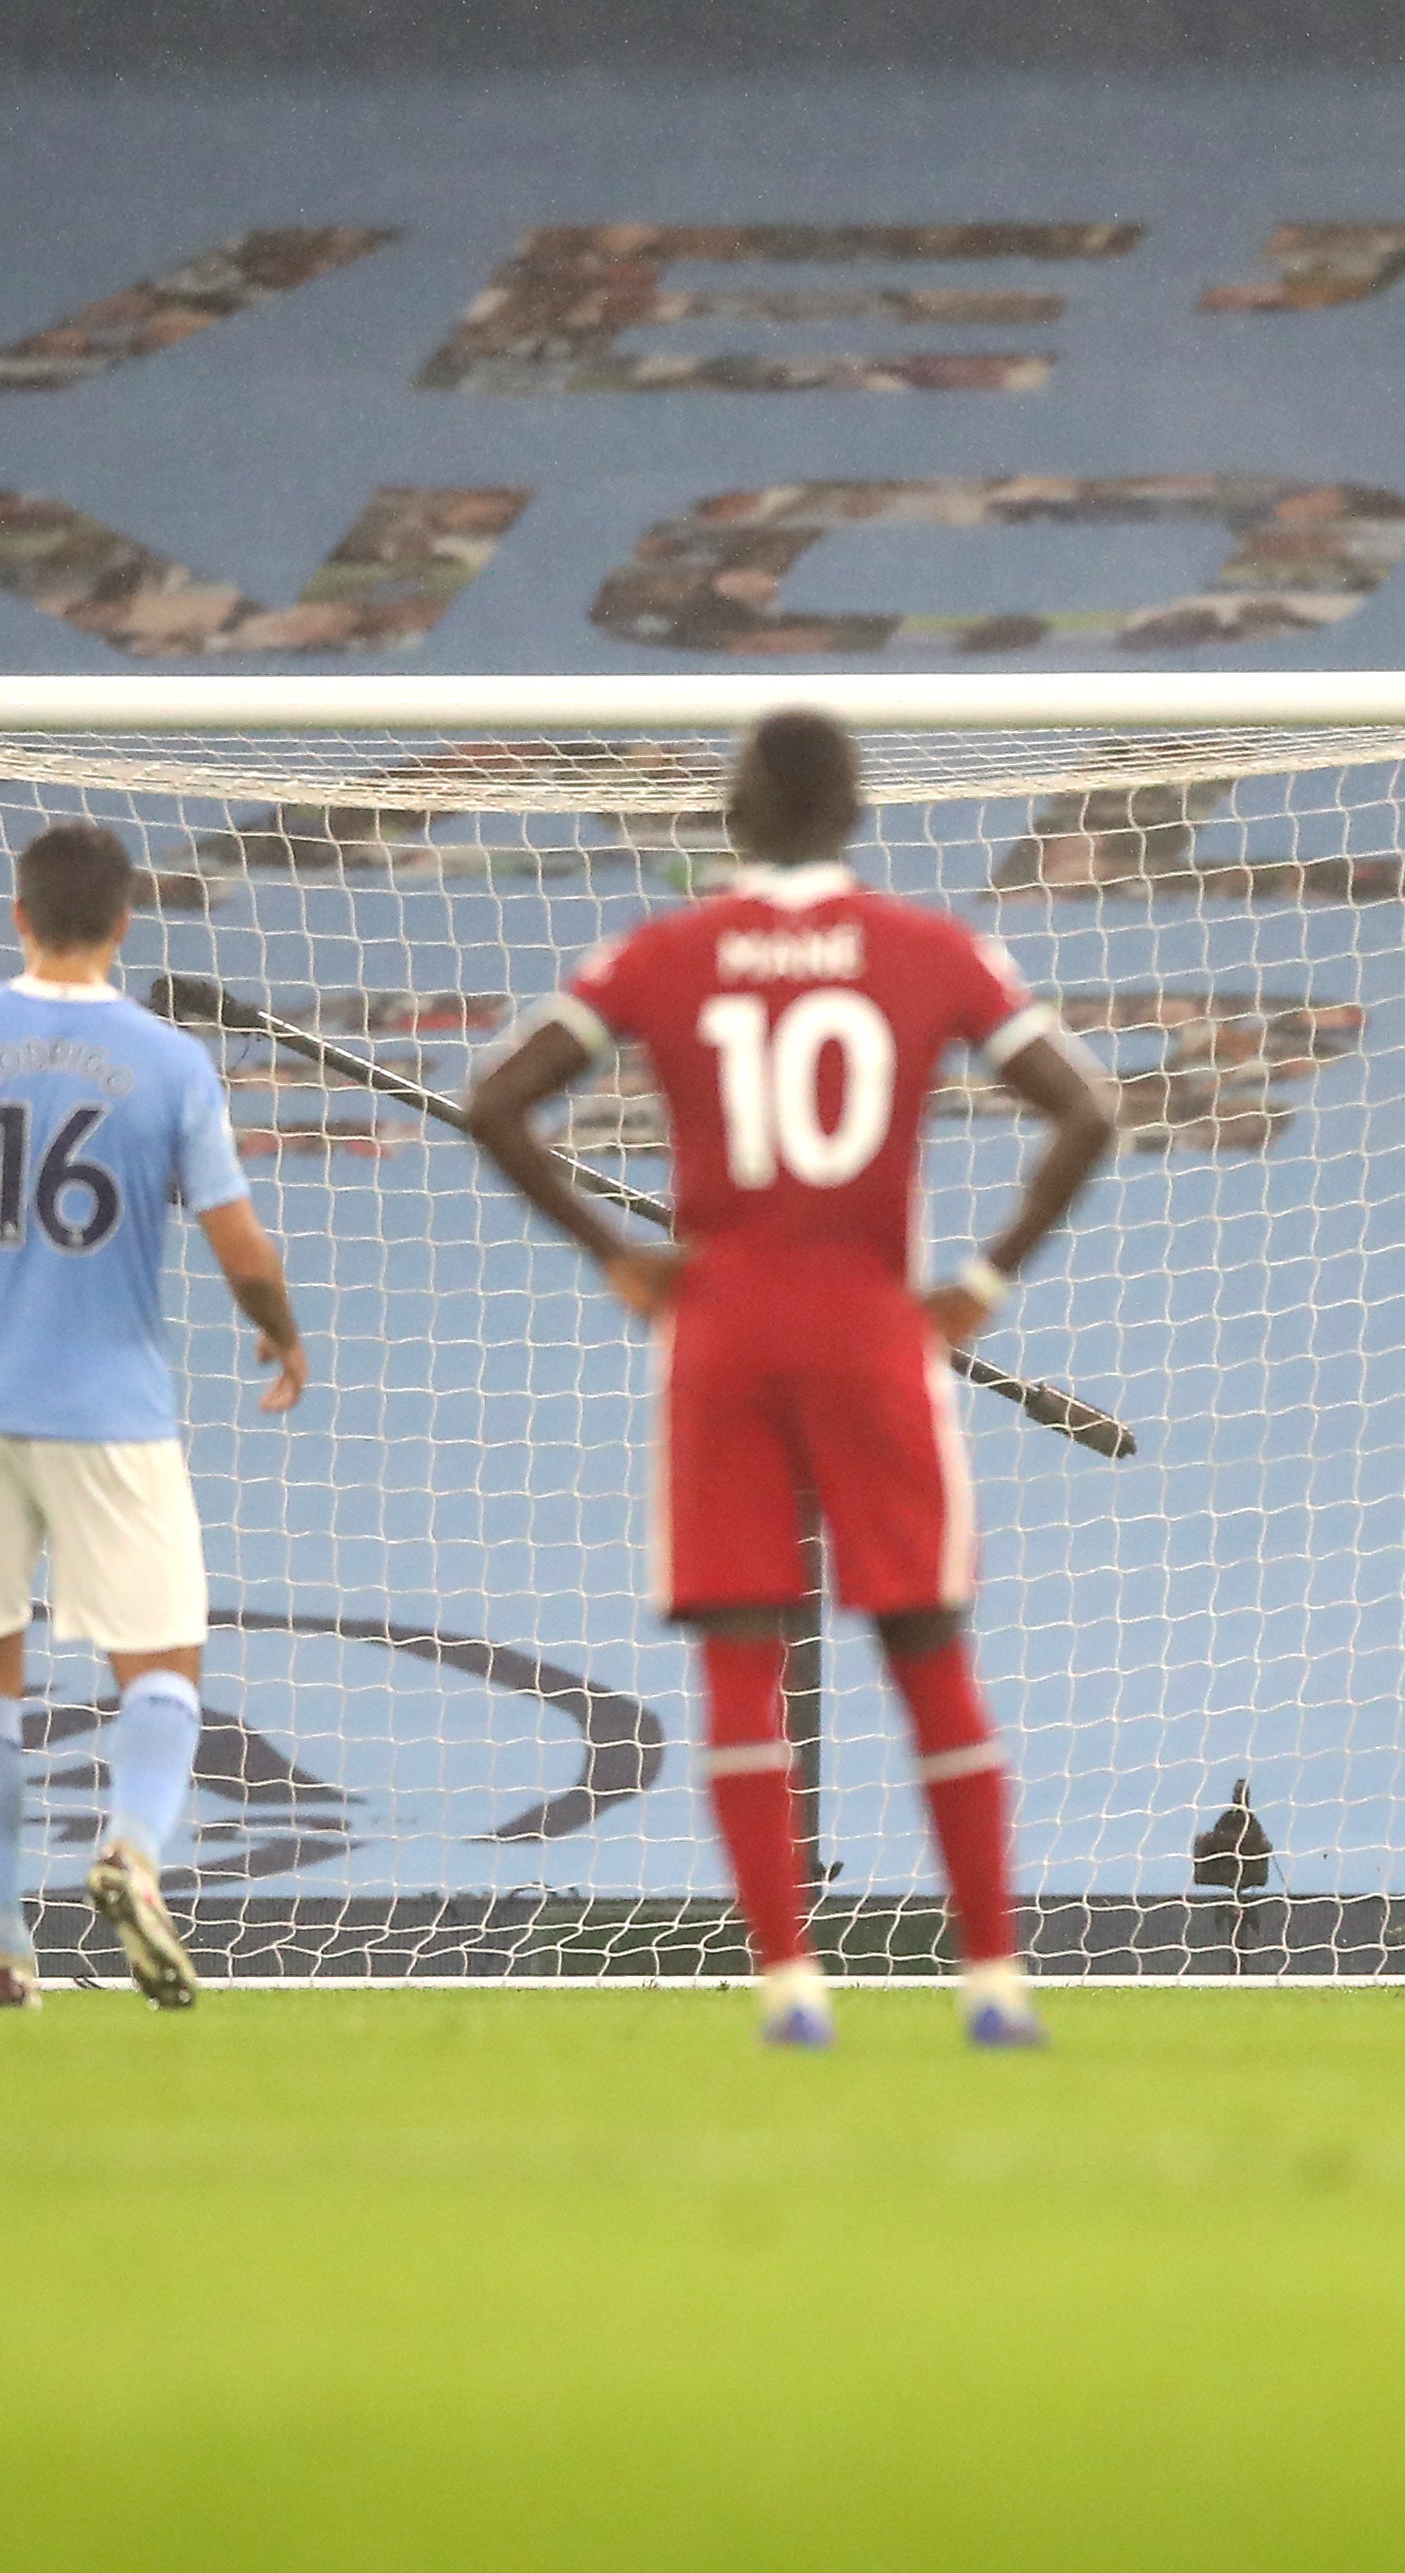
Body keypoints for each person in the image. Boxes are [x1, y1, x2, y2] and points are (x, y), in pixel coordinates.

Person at [463, 710, 1118, 2051]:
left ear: (735, 819)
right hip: (872, 1326)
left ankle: (790, 1989)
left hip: (721, 1327)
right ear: (854, 815)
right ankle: (992, 1982)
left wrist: (621, 1258)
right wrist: (981, 1282)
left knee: (740, 1664)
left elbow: (494, 1100)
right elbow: (1090, 1107)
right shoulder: (933, 950)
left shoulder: (667, 953)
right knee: (928, 1648)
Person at [0, 824, 304, 2013]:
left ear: (16, 913)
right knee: (163, 1657)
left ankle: (2, 1946)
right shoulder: (167, 1060)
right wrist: (279, 1324)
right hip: (109, 1405)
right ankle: (135, 1851)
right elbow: (239, 1241)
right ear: (124, 922)